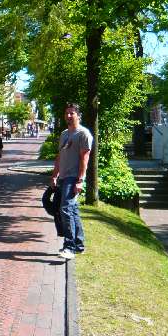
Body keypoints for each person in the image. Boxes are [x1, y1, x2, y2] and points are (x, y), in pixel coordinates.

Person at [50, 102, 93, 260]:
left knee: (66, 209)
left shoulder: (83, 134)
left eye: (72, 113)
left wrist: (80, 180)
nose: (69, 115)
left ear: (78, 115)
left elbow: (85, 158)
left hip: (73, 177)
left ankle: (69, 247)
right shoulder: (64, 134)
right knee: (73, 211)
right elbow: (60, 156)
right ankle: (79, 244)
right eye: (67, 113)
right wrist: (55, 175)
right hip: (62, 177)